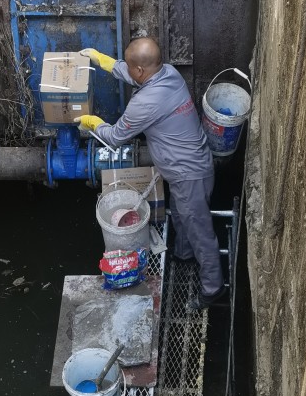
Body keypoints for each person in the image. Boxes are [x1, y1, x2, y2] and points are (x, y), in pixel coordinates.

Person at [76, 38, 225, 310]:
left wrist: (92, 123)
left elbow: (115, 137)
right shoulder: (169, 74)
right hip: (188, 169)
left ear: (140, 71)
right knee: (181, 215)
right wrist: (104, 62)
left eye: (129, 66)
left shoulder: (144, 103)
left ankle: (212, 289)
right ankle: (183, 255)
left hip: (189, 175)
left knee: (201, 233)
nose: (128, 70)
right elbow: (134, 72)